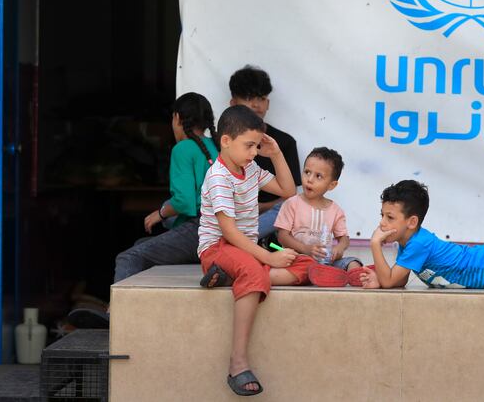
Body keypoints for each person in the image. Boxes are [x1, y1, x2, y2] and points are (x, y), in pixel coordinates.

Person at [67, 92, 218, 329]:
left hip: (198, 231)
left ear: (177, 119)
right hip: (219, 231)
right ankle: (139, 316)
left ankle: (117, 317)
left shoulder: (183, 149)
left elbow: (184, 202)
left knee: (128, 257)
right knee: (140, 249)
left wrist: (159, 214)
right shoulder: (217, 146)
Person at [197, 105, 315, 396]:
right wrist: (267, 257)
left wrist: (275, 154)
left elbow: (288, 191)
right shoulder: (218, 176)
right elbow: (229, 232)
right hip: (217, 249)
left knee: (304, 264)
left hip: (244, 250)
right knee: (253, 270)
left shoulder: (249, 168)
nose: (253, 152)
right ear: (226, 141)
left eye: (256, 146)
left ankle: (233, 276)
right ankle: (237, 363)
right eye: (249, 145)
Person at [228, 65, 302, 239]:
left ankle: (241, 240)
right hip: (231, 216)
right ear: (233, 102)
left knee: (291, 206)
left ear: (267, 103)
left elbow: (290, 197)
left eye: (261, 98)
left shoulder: (284, 142)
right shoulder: (222, 141)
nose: (255, 104)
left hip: (269, 219)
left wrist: (261, 207)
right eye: (248, 97)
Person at [274, 147, 363, 287]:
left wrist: (339, 249)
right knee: (301, 267)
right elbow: (282, 236)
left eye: (318, 176)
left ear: (332, 185)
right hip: (298, 259)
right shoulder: (292, 203)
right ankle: (323, 276)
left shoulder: (335, 210)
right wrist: (305, 249)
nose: (309, 180)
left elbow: (344, 239)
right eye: (307, 172)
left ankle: (354, 277)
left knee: (353, 262)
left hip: (325, 262)